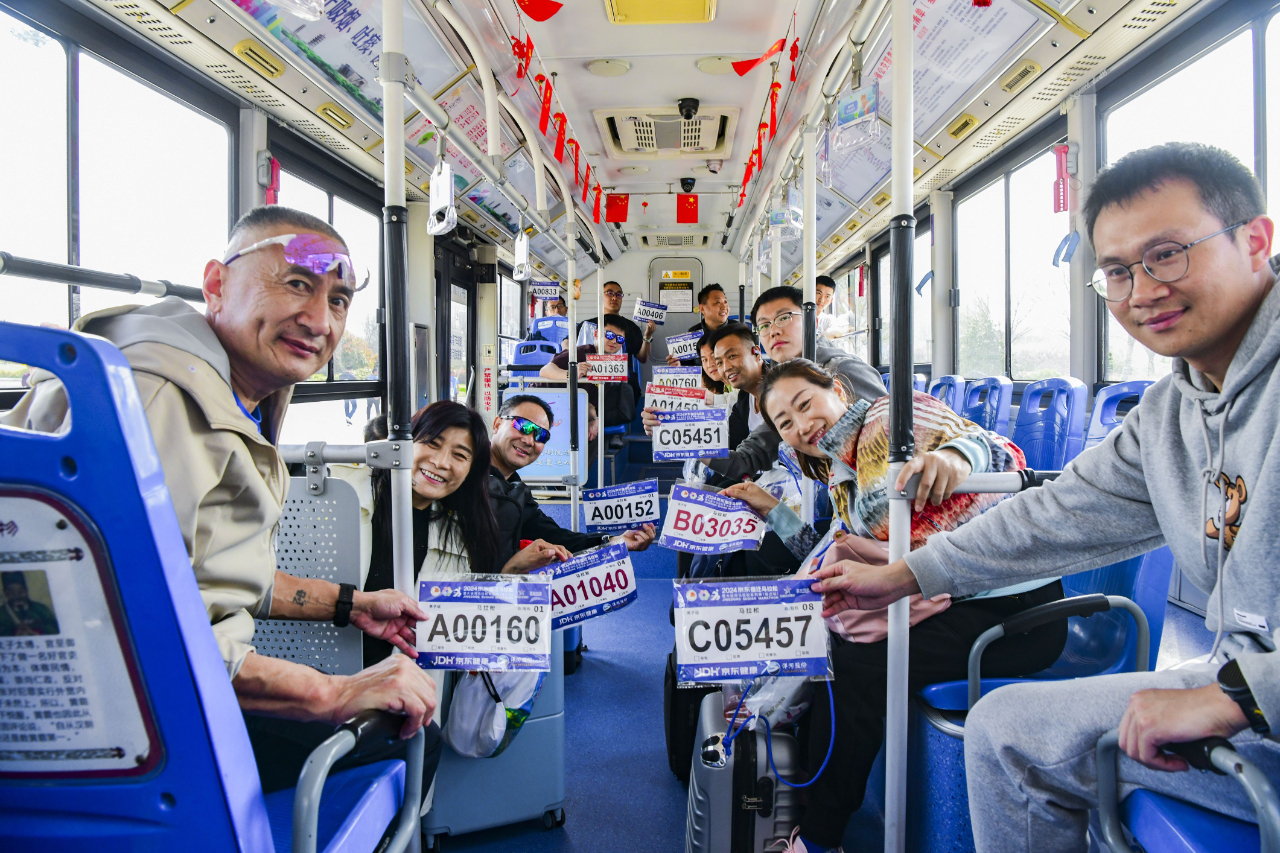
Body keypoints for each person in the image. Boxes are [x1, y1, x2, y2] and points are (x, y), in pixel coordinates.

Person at [812, 142, 1280, 853]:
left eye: (1166, 254)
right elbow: (1056, 514)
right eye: (1117, 271)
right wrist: (906, 574)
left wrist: (1243, 694)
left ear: (1256, 240)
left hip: (1254, 695)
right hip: (1243, 688)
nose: (1141, 290)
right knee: (1006, 732)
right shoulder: (1170, 414)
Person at [3, 205, 441, 794]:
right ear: (216, 284)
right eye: (297, 284)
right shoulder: (156, 402)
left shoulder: (230, 396)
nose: (320, 320)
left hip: (163, 696)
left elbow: (206, 574)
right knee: (408, 736)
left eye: (339, 300)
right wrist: (329, 693)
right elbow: (120, 627)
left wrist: (351, 604)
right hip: (131, 729)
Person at [728, 359, 1066, 853]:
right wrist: (771, 509)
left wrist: (956, 457)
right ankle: (805, 794)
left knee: (857, 666)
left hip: (1014, 609)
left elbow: (990, 447)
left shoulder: (890, 419)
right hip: (942, 597)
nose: (802, 425)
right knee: (832, 649)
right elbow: (829, 549)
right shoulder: (841, 470)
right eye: (786, 422)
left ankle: (820, 838)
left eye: (805, 404)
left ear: (837, 389)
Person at [362, 401, 569, 665]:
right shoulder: (349, 499)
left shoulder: (462, 530)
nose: (441, 463)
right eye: (432, 444)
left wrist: (512, 570)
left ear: (472, 470)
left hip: (405, 675)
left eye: (459, 456)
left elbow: (463, 617)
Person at [488, 394, 657, 554]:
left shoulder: (517, 493)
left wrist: (612, 541)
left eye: (541, 435)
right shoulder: (472, 476)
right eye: (523, 426)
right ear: (497, 424)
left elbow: (555, 537)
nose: (529, 440)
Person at [540, 314, 636, 447]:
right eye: (609, 335)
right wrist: (571, 373)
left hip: (571, 408)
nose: (614, 341)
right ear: (596, 334)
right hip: (547, 402)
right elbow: (545, 370)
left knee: (592, 435)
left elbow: (591, 402)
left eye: (620, 339)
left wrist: (594, 419)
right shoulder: (579, 353)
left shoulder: (609, 367)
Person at [668, 283, 731, 366]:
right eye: (718, 302)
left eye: (725, 302)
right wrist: (677, 366)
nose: (724, 307)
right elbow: (687, 366)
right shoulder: (692, 334)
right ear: (702, 308)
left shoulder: (739, 330)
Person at [0, 572, 60, 636]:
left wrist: (38, 628)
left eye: (20, 592)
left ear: (26, 590)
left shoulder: (41, 609)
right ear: (5, 593)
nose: (16, 596)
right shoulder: (2, 613)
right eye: (11, 593)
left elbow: (55, 629)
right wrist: (15, 632)